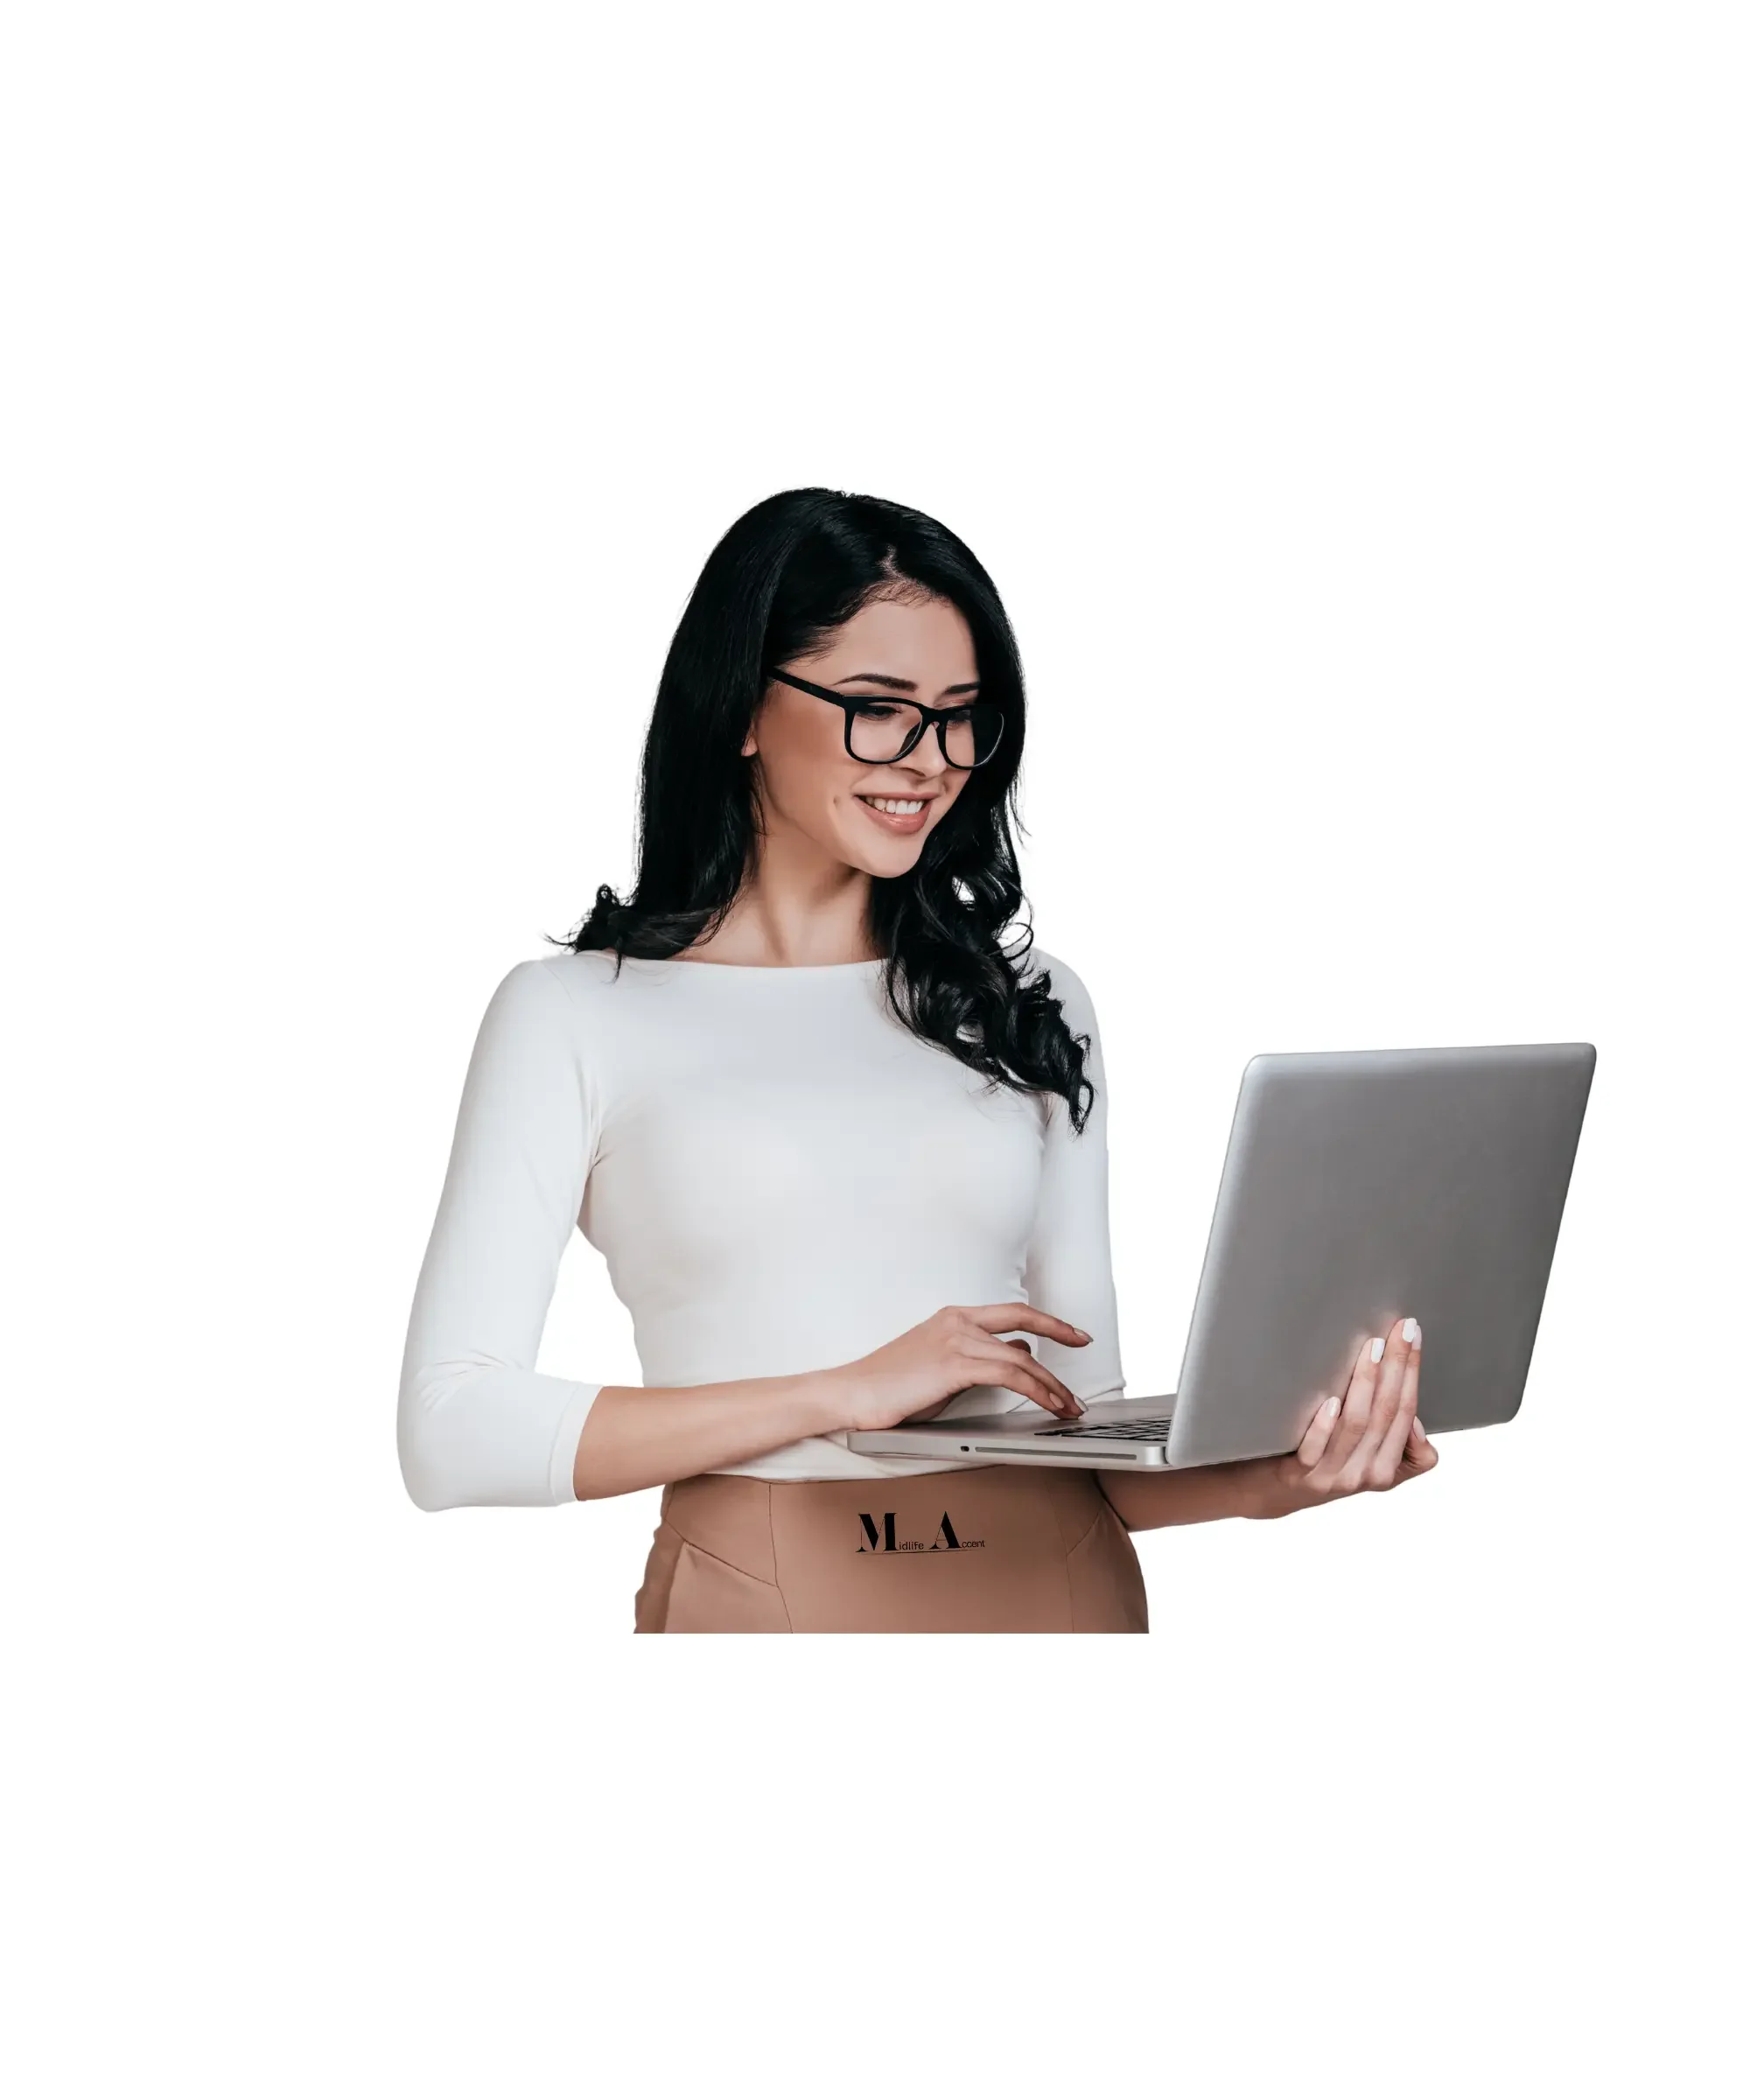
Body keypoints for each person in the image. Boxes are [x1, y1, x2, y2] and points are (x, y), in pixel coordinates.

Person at [396, 486, 1438, 1632]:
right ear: (743, 707)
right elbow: (451, 1432)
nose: (930, 761)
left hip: (1069, 1587)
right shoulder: (574, 1015)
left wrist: (1290, 1472)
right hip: (771, 1599)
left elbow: (1083, 1438)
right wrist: (846, 1393)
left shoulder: (1031, 1007)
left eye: (959, 718)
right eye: (879, 709)